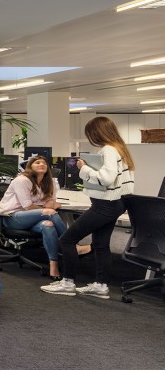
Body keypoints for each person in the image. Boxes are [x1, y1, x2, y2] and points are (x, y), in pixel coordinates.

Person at [41, 116, 136, 298]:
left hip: (105, 204)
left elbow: (106, 179)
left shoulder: (109, 150)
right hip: (117, 203)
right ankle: (101, 286)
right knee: (101, 244)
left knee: (67, 239)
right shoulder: (120, 149)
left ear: (96, 133)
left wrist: (84, 168)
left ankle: (68, 283)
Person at [0, 155, 86, 279]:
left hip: (34, 218)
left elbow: (51, 202)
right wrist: (46, 208)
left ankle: (53, 265)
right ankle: (73, 245)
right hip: (12, 217)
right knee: (49, 213)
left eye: (44, 163)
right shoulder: (22, 180)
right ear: (30, 166)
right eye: (37, 162)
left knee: (48, 225)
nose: (41, 164)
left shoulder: (49, 182)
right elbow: (28, 206)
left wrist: (51, 204)